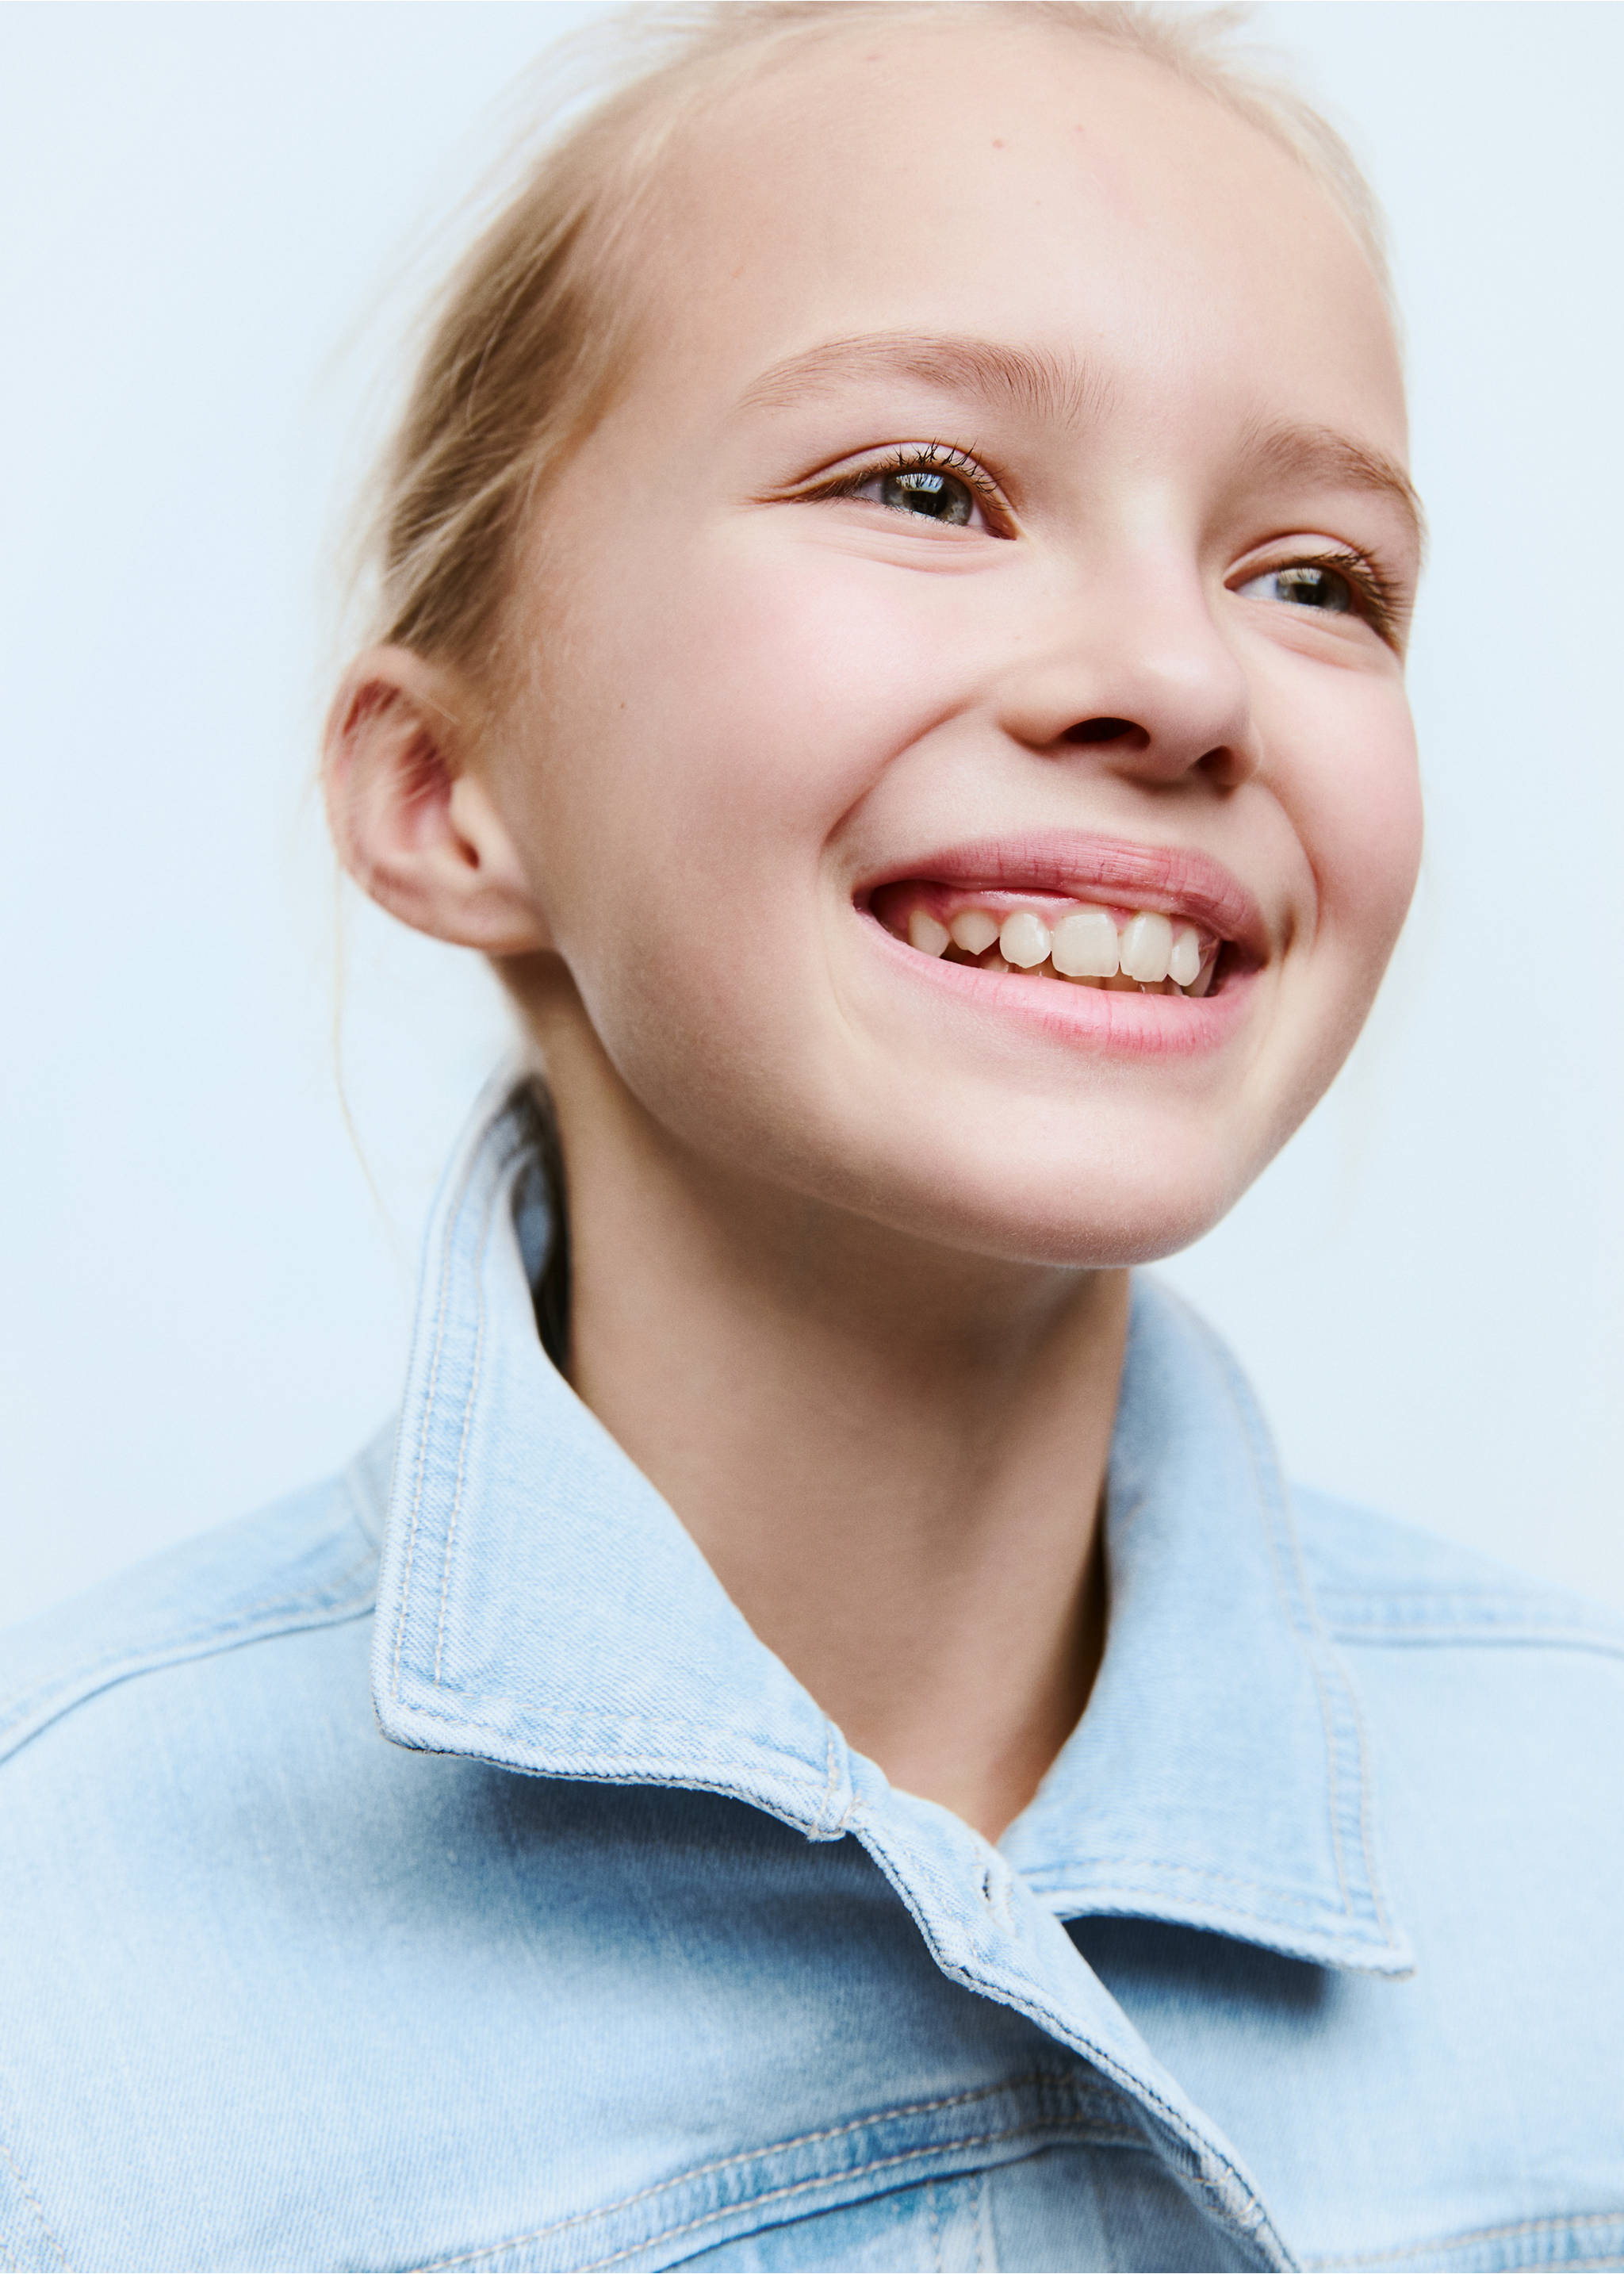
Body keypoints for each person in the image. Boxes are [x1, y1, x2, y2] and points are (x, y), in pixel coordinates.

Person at [2, 5, 1620, 2269]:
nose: (1178, 671)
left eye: (1313, 576)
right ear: (448, 792)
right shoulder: (54, 1981)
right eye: (926, 489)